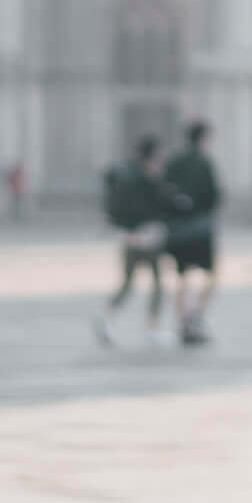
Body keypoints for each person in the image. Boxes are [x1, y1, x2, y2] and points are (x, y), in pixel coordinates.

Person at [94, 133, 172, 347]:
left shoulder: (125, 174)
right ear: (153, 154)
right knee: (156, 283)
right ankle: (152, 326)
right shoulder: (146, 178)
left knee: (128, 282)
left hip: (129, 236)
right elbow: (158, 204)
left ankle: (107, 319)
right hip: (146, 235)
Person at [165, 119, 222, 347]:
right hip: (200, 227)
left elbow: (164, 190)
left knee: (182, 276)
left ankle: (183, 321)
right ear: (203, 138)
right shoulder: (204, 163)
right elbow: (214, 196)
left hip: (178, 228)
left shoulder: (174, 162)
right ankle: (196, 317)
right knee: (210, 275)